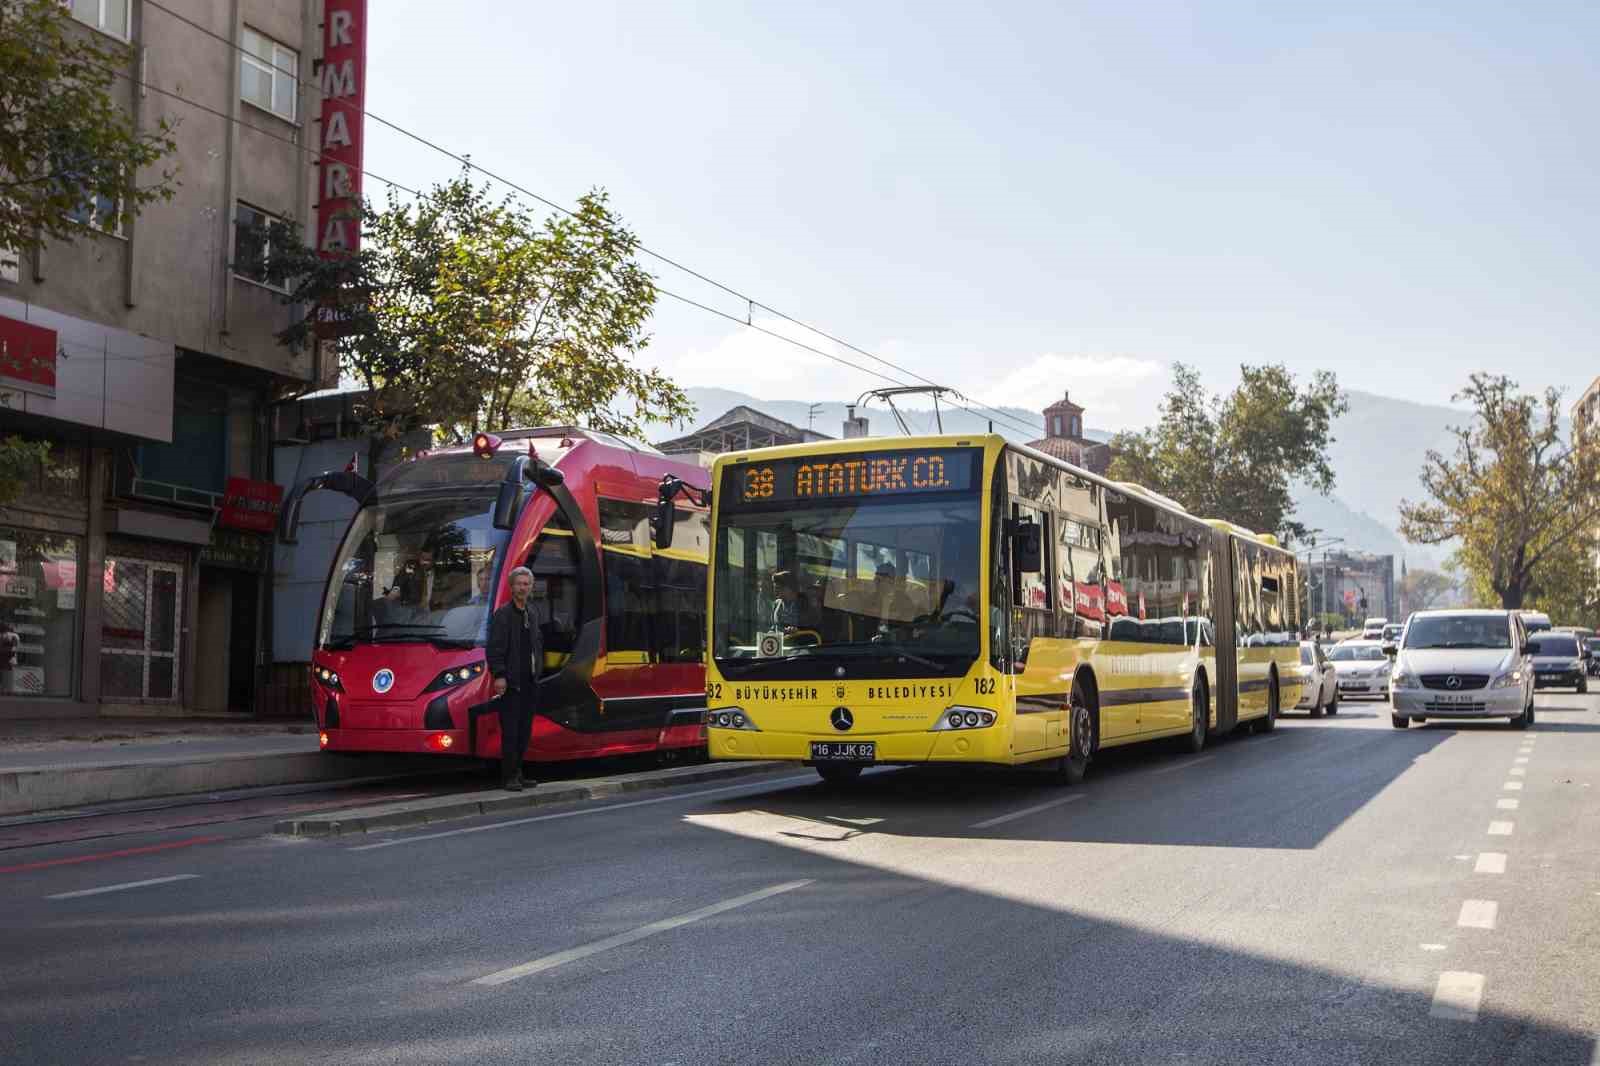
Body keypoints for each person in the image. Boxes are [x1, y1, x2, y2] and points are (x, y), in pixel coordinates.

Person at [486, 566, 545, 791]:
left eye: (526, 584)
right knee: (510, 731)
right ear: (512, 587)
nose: (523, 587)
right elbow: (495, 648)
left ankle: (519, 774)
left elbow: (537, 644)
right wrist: (499, 675)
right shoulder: (503, 614)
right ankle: (509, 777)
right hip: (511, 682)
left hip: (530, 682)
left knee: (524, 731)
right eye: (519, 584)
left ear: (531, 587)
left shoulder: (533, 611)